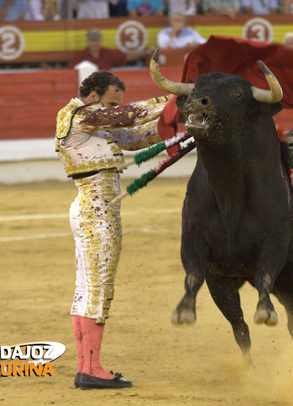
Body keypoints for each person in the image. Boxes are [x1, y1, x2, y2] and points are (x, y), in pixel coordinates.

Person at [55, 71, 169, 390]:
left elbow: (134, 136)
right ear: (92, 95)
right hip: (97, 211)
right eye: (109, 103)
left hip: (93, 208)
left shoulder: (95, 125)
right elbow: (126, 115)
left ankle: (86, 367)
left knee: (86, 289)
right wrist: (173, 100)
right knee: (98, 288)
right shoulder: (77, 114)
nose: (112, 110)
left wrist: (174, 123)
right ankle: (90, 369)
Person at [72, 29, 153, 70]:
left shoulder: (106, 53)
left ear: (100, 40)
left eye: (96, 40)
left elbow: (128, 57)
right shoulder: (81, 56)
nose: (95, 43)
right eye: (92, 40)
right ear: (88, 41)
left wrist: (146, 52)